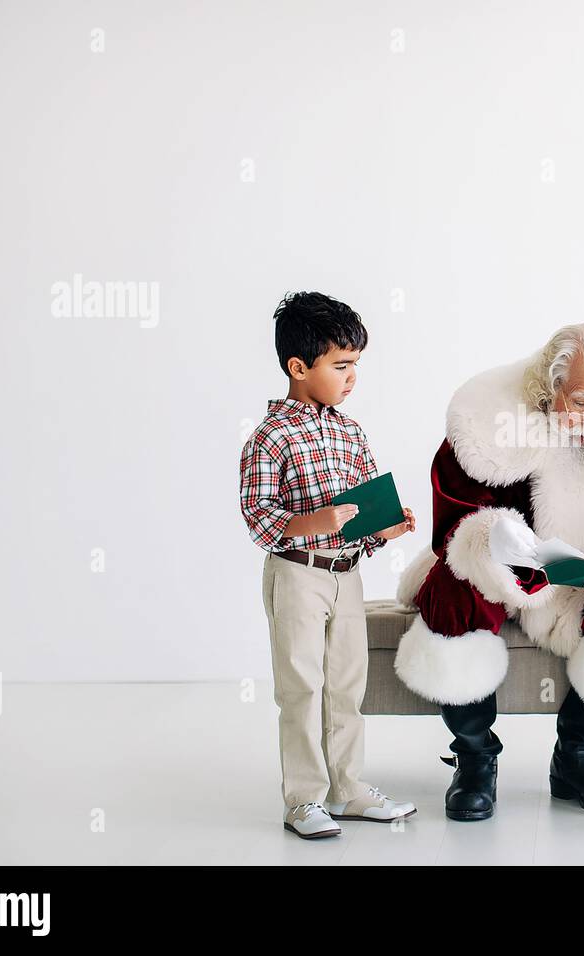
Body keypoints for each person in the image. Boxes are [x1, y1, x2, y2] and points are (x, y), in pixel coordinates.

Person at [392, 323, 584, 821]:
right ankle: (474, 758)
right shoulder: (490, 424)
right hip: (502, 577)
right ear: (552, 386)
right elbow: (457, 523)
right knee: (455, 589)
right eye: (582, 403)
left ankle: (580, 757)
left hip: (583, 587)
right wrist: (494, 537)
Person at [239, 291, 417, 839]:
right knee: (301, 687)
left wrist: (386, 528)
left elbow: (362, 514)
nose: (351, 376)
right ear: (299, 367)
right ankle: (303, 799)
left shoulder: (350, 432)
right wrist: (313, 521)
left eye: (355, 364)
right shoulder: (269, 437)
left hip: (346, 576)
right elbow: (258, 514)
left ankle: (348, 788)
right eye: (340, 365)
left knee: (346, 687)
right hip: (297, 573)